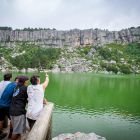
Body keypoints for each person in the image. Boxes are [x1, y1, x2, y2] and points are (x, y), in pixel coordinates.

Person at [9, 75, 29, 140]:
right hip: (18, 113)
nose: (27, 81)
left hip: (12, 110)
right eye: (27, 79)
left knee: (17, 130)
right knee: (16, 132)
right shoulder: (25, 88)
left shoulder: (16, 87)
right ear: (24, 81)